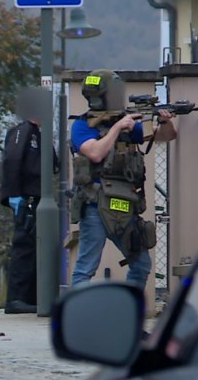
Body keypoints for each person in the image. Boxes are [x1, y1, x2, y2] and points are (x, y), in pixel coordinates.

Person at [69, 69, 177, 290]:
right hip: (96, 205)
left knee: (142, 264)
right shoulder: (82, 126)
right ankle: (76, 319)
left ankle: (127, 318)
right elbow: (96, 153)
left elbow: (166, 136)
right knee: (86, 268)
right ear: (100, 96)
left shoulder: (125, 122)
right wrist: (118, 127)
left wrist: (164, 121)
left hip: (125, 204)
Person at [1, 117, 58, 314]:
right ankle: (16, 298)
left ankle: (28, 298)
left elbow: (53, 164)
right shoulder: (23, 131)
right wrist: (14, 194)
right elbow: (13, 159)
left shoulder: (38, 135)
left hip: (36, 197)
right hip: (27, 197)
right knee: (24, 246)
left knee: (34, 248)